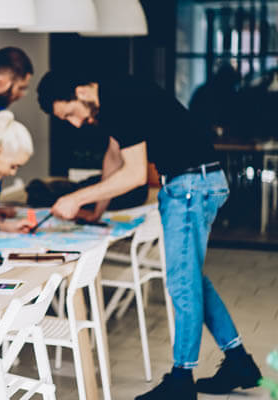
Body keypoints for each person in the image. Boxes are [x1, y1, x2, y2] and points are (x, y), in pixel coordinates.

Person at [36, 70, 262, 400]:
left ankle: (181, 381)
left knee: (182, 284)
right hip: (195, 182)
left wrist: (75, 198)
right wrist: (97, 210)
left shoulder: (120, 99)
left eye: (70, 113)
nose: (74, 123)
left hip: (189, 185)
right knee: (192, 279)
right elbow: (115, 157)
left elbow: (134, 174)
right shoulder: (114, 96)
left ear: (82, 90)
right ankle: (239, 362)